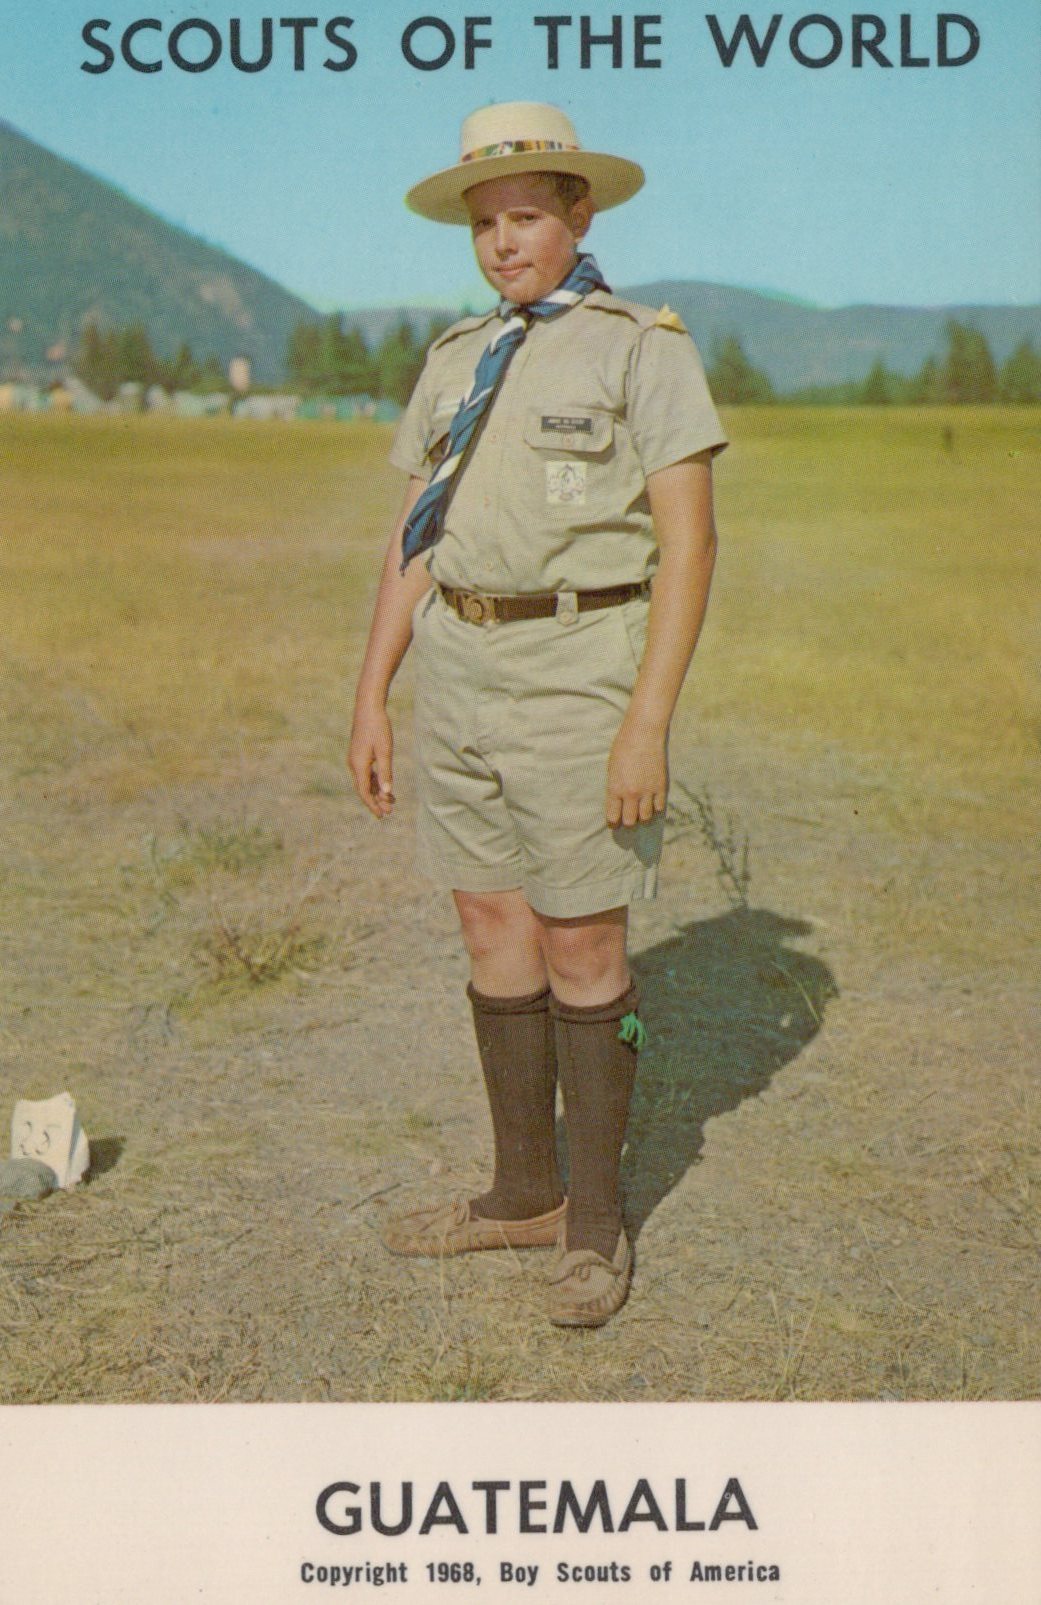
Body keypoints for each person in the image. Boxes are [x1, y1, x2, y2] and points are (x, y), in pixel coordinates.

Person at [348, 102, 727, 1328]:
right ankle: (520, 1191)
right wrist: (373, 693)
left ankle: (597, 1224)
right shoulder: (458, 355)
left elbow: (691, 544)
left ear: (581, 213)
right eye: (485, 222)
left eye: (527, 216)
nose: (504, 243)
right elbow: (416, 538)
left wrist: (647, 723)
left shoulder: (641, 347)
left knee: (582, 945)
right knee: (487, 920)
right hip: (462, 660)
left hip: (581, 666)